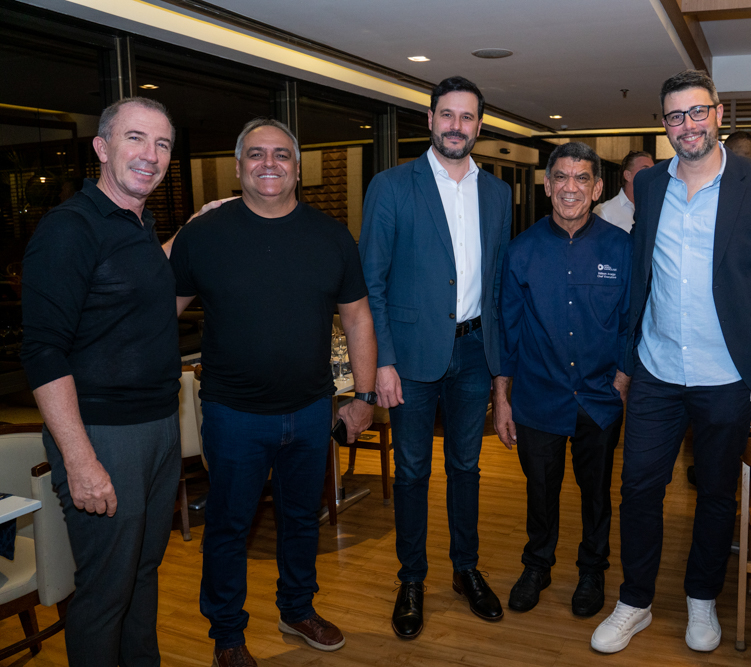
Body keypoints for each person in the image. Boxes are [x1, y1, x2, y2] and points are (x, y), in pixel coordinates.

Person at [590, 69, 751, 655]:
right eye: (676, 116)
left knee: (715, 493)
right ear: (665, 124)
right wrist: (628, 359)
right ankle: (634, 601)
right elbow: (642, 271)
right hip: (657, 369)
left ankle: (702, 596)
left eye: (698, 111)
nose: (688, 125)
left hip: (727, 374)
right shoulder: (650, 183)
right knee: (638, 489)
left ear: (718, 113)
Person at [169, 118, 377, 667]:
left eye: (281, 155)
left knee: (302, 519)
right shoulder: (204, 236)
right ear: (239, 166)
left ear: (297, 168)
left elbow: (358, 319)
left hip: (310, 410)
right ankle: (227, 636)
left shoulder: (331, 236)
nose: (269, 164)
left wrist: (363, 396)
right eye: (256, 154)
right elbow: (159, 311)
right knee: (229, 526)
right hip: (233, 414)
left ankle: (297, 609)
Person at [20, 97, 181, 666]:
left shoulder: (138, 225)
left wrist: (194, 232)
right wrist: (80, 460)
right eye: (135, 138)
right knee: (105, 592)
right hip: (105, 436)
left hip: (159, 426)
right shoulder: (70, 228)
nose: (150, 155)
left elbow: (133, 290)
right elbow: (42, 351)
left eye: (162, 144)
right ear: (101, 147)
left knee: (142, 574)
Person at [359, 75, 512, 639]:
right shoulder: (392, 186)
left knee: (466, 467)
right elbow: (371, 282)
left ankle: (465, 569)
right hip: (410, 357)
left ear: (479, 126)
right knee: (412, 471)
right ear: (429, 120)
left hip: (473, 351)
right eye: (446, 115)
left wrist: (500, 373)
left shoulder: (497, 193)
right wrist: (383, 361)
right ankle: (411, 579)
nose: (456, 126)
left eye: (467, 117)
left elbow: (497, 286)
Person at [493, 142, 631, 618]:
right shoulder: (521, 250)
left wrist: (622, 382)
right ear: (547, 186)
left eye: (582, 178)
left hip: (599, 398)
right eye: (561, 178)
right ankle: (537, 565)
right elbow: (508, 331)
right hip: (538, 399)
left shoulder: (621, 248)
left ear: (597, 188)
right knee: (540, 491)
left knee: (596, 495)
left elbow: (631, 323)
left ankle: (593, 569)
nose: (571, 188)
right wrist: (502, 399)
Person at [593, 150, 655, 232]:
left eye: (653, 171)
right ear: (627, 175)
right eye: (645, 170)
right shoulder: (605, 212)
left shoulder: (655, 210)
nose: (652, 175)